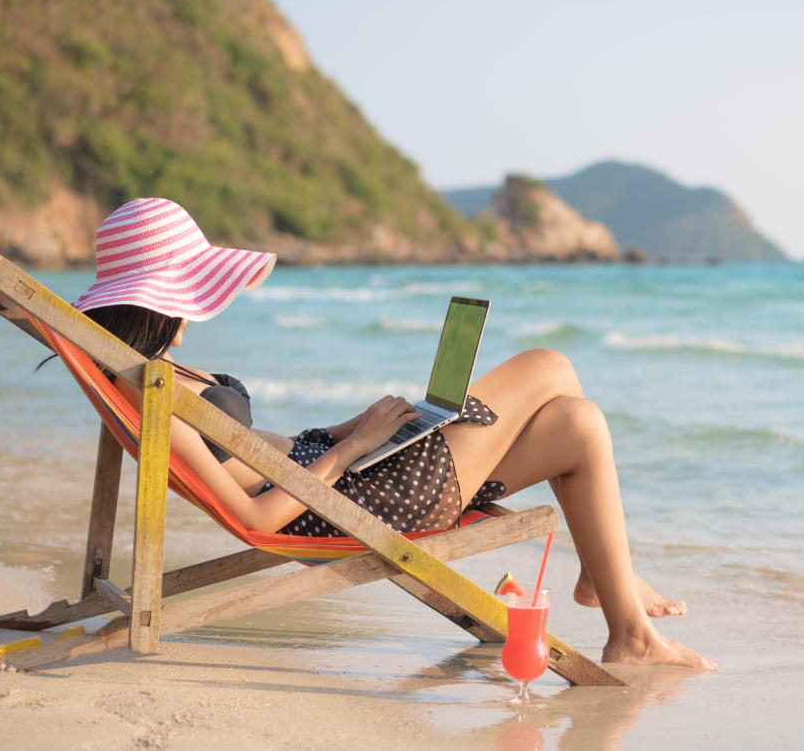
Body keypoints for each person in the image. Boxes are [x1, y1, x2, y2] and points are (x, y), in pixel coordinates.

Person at [68, 197, 714, 671]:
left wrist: (352, 430)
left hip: (339, 473)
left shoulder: (150, 373)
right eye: (183, 296)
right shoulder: (151, 392)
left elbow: (255, 448)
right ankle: (622, 616)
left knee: (578, 425)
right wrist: (351, 451)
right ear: (153, 302)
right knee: (552, 367)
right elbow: (254, 508)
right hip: (349, 506)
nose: (189, 319)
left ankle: (615, 600)